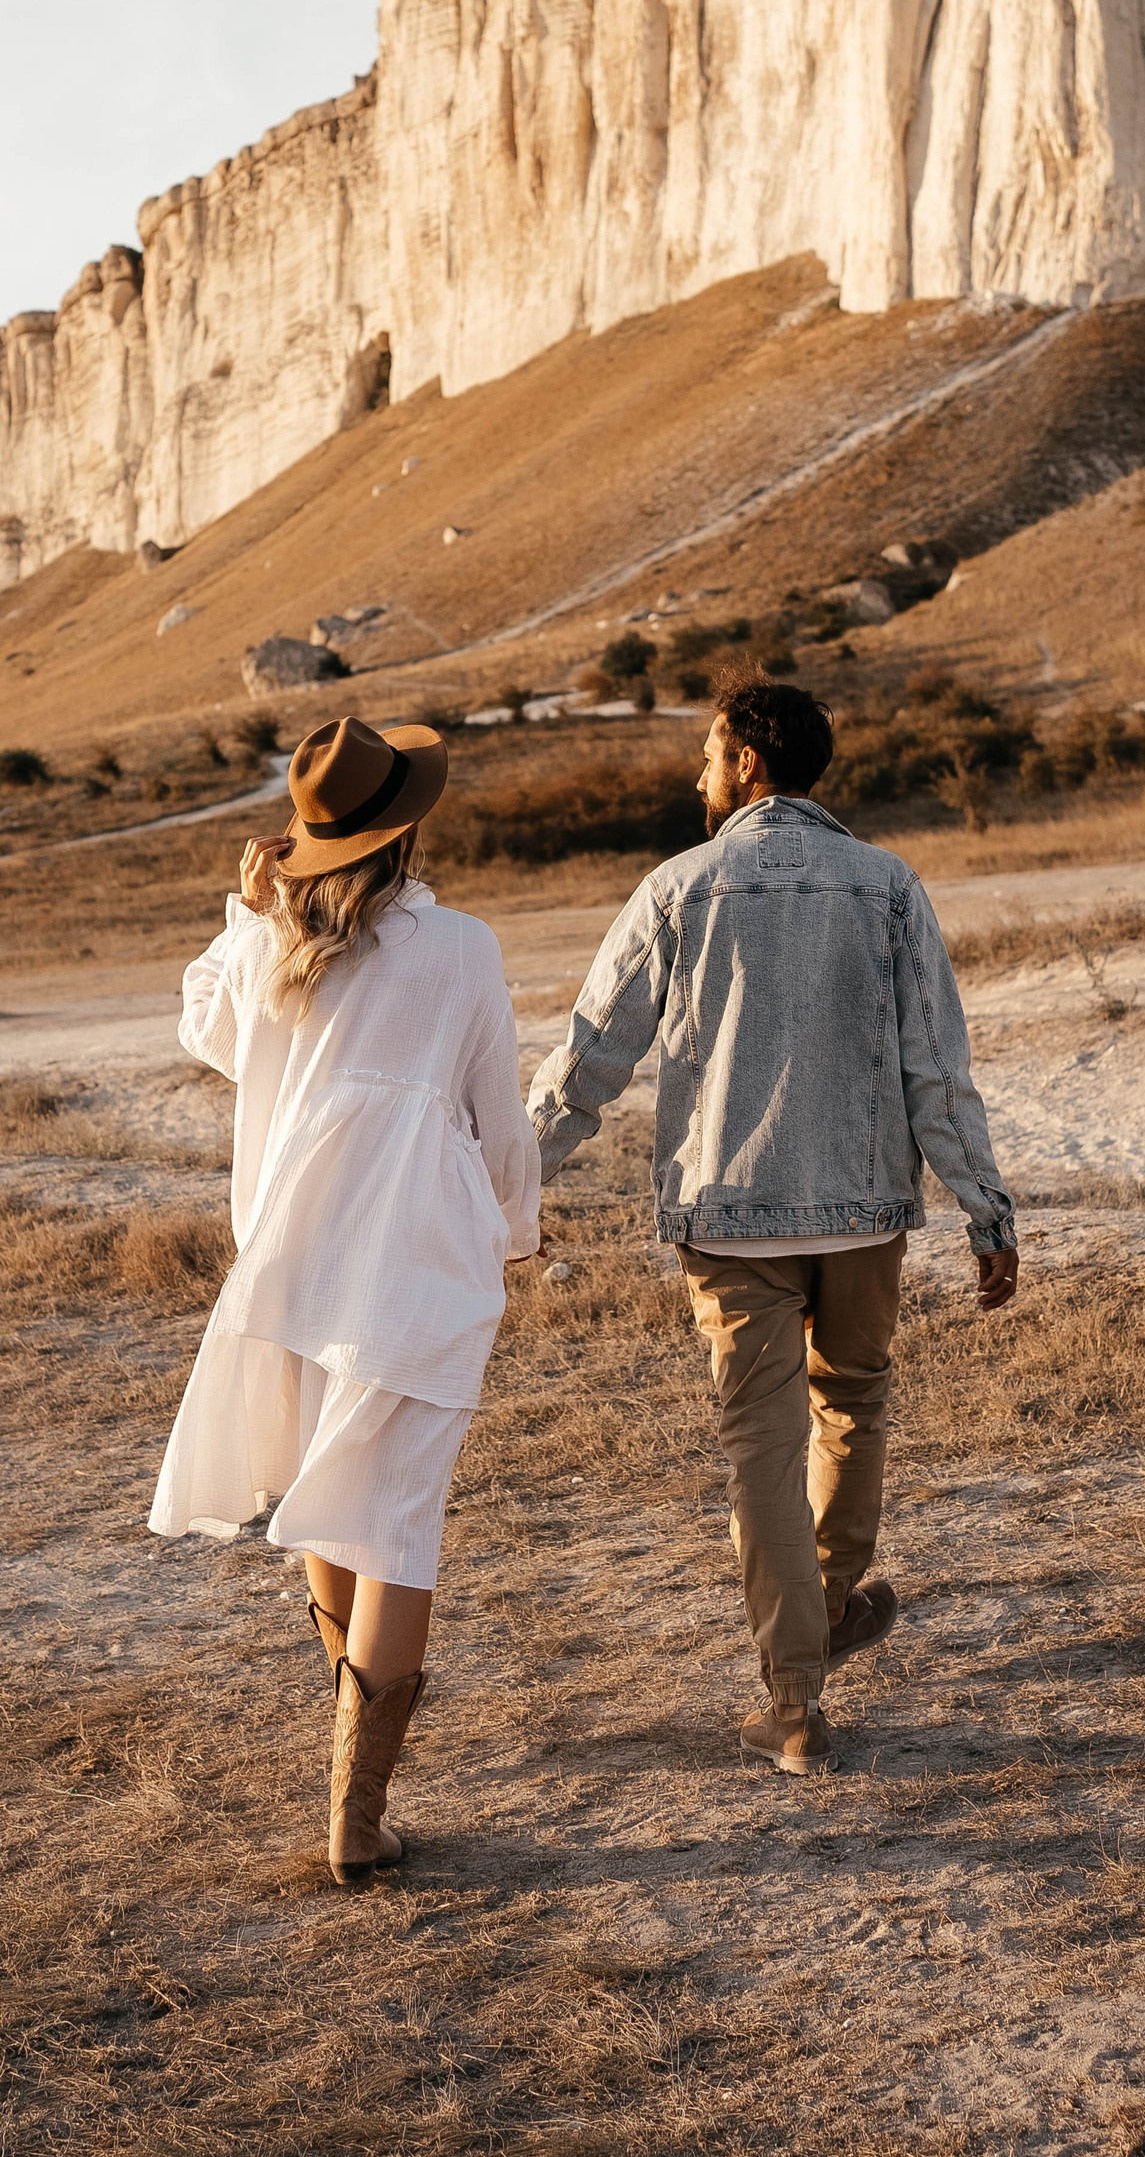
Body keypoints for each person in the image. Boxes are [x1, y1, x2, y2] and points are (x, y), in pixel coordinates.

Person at [529, 673, 1018, 1775]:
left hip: (727, 1212)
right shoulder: (890, 886)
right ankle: (826, 1611)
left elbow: (591, 1060)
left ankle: (795, 1702)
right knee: (854, 1405)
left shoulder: (678, 888)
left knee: (762, 1444)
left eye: (706, 756)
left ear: (749, 764)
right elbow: (936, 1068)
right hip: (863, 1211)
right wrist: (986, 1210)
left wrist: (506, 1181)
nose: (695, 775)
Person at [150, 716, 541, 1884]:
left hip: (291, 1254)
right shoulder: (461, 946)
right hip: (413, 1248)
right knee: (395, 1519)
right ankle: (355, 1819)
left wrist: (245, 905)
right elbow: (498, 1111)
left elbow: (205, 1033)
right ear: (408, 824)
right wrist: (517, 1237)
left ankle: (350, 1785)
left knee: (328, 1501)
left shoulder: (275, 945)